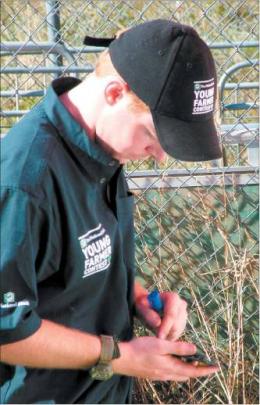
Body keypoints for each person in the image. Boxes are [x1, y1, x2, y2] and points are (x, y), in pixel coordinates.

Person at [0, 19, 222, 404]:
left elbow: (75, 263)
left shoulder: (104, 147)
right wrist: (118, 357)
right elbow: (6, 330)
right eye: (154, 136)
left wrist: (140, 298)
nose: (159, 155)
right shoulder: (25, 181)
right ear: (116, 93)